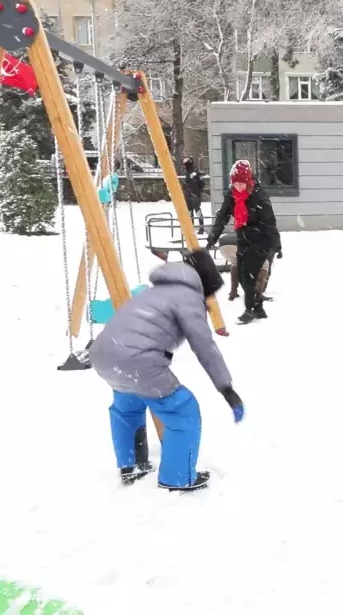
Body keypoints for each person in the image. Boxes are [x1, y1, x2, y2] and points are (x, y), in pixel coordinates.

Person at [88, 249, 244, 492]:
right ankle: (178, 478)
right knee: (183, 411)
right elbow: (204, 346)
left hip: (104, 353)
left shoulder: (154, 292)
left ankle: (132, 465)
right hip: (138, 360)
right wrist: (226, 387)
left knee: (127, 406)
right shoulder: (188, 296)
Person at [205, 160, 282, 323]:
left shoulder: (260, 196)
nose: (238, 187)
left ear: (248, 181)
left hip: (261, 239)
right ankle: (259, 308)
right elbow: (223, 215)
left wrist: (276, 245)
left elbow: (270, 222)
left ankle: (249, 310)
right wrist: (214, 235)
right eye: (235, 183)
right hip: (243, 238)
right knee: (241, 274)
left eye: (241, 183)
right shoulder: (232, 194)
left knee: (248, 276)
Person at [181, 156, 206, 230]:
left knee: (197, 211)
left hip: (194, 195)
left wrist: (197, 191)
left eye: (186, 164)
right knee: (190, 212)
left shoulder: (195, 172)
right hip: (189, 195)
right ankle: (192, 228)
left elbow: (201, 183)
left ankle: (201, 228)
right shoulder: (188, 172)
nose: (185, 166)